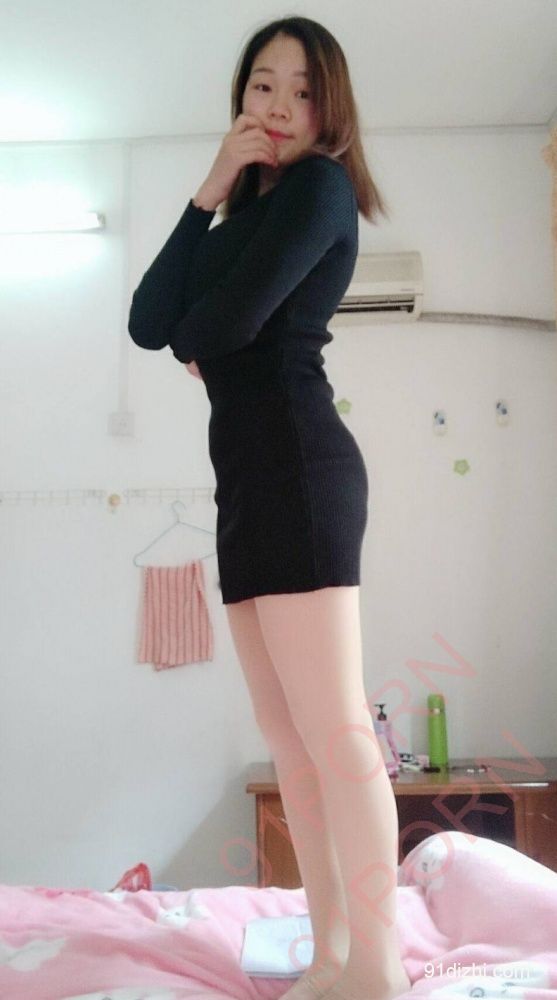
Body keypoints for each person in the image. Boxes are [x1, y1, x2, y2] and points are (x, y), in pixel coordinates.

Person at [128, 15, 411, 1000]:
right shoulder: (235, 218)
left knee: (336, 737)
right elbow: (152, 323)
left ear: (329, 108)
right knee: (289, 746)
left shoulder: (319, 189)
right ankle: (330, 954)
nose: (279, 105)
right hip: (246, 483)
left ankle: (377, 967)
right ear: (239, 98)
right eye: (262, 84)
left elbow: (223, 323)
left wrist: (203, 331)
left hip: (298, 468)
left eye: (301, 89)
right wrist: (206, 191)